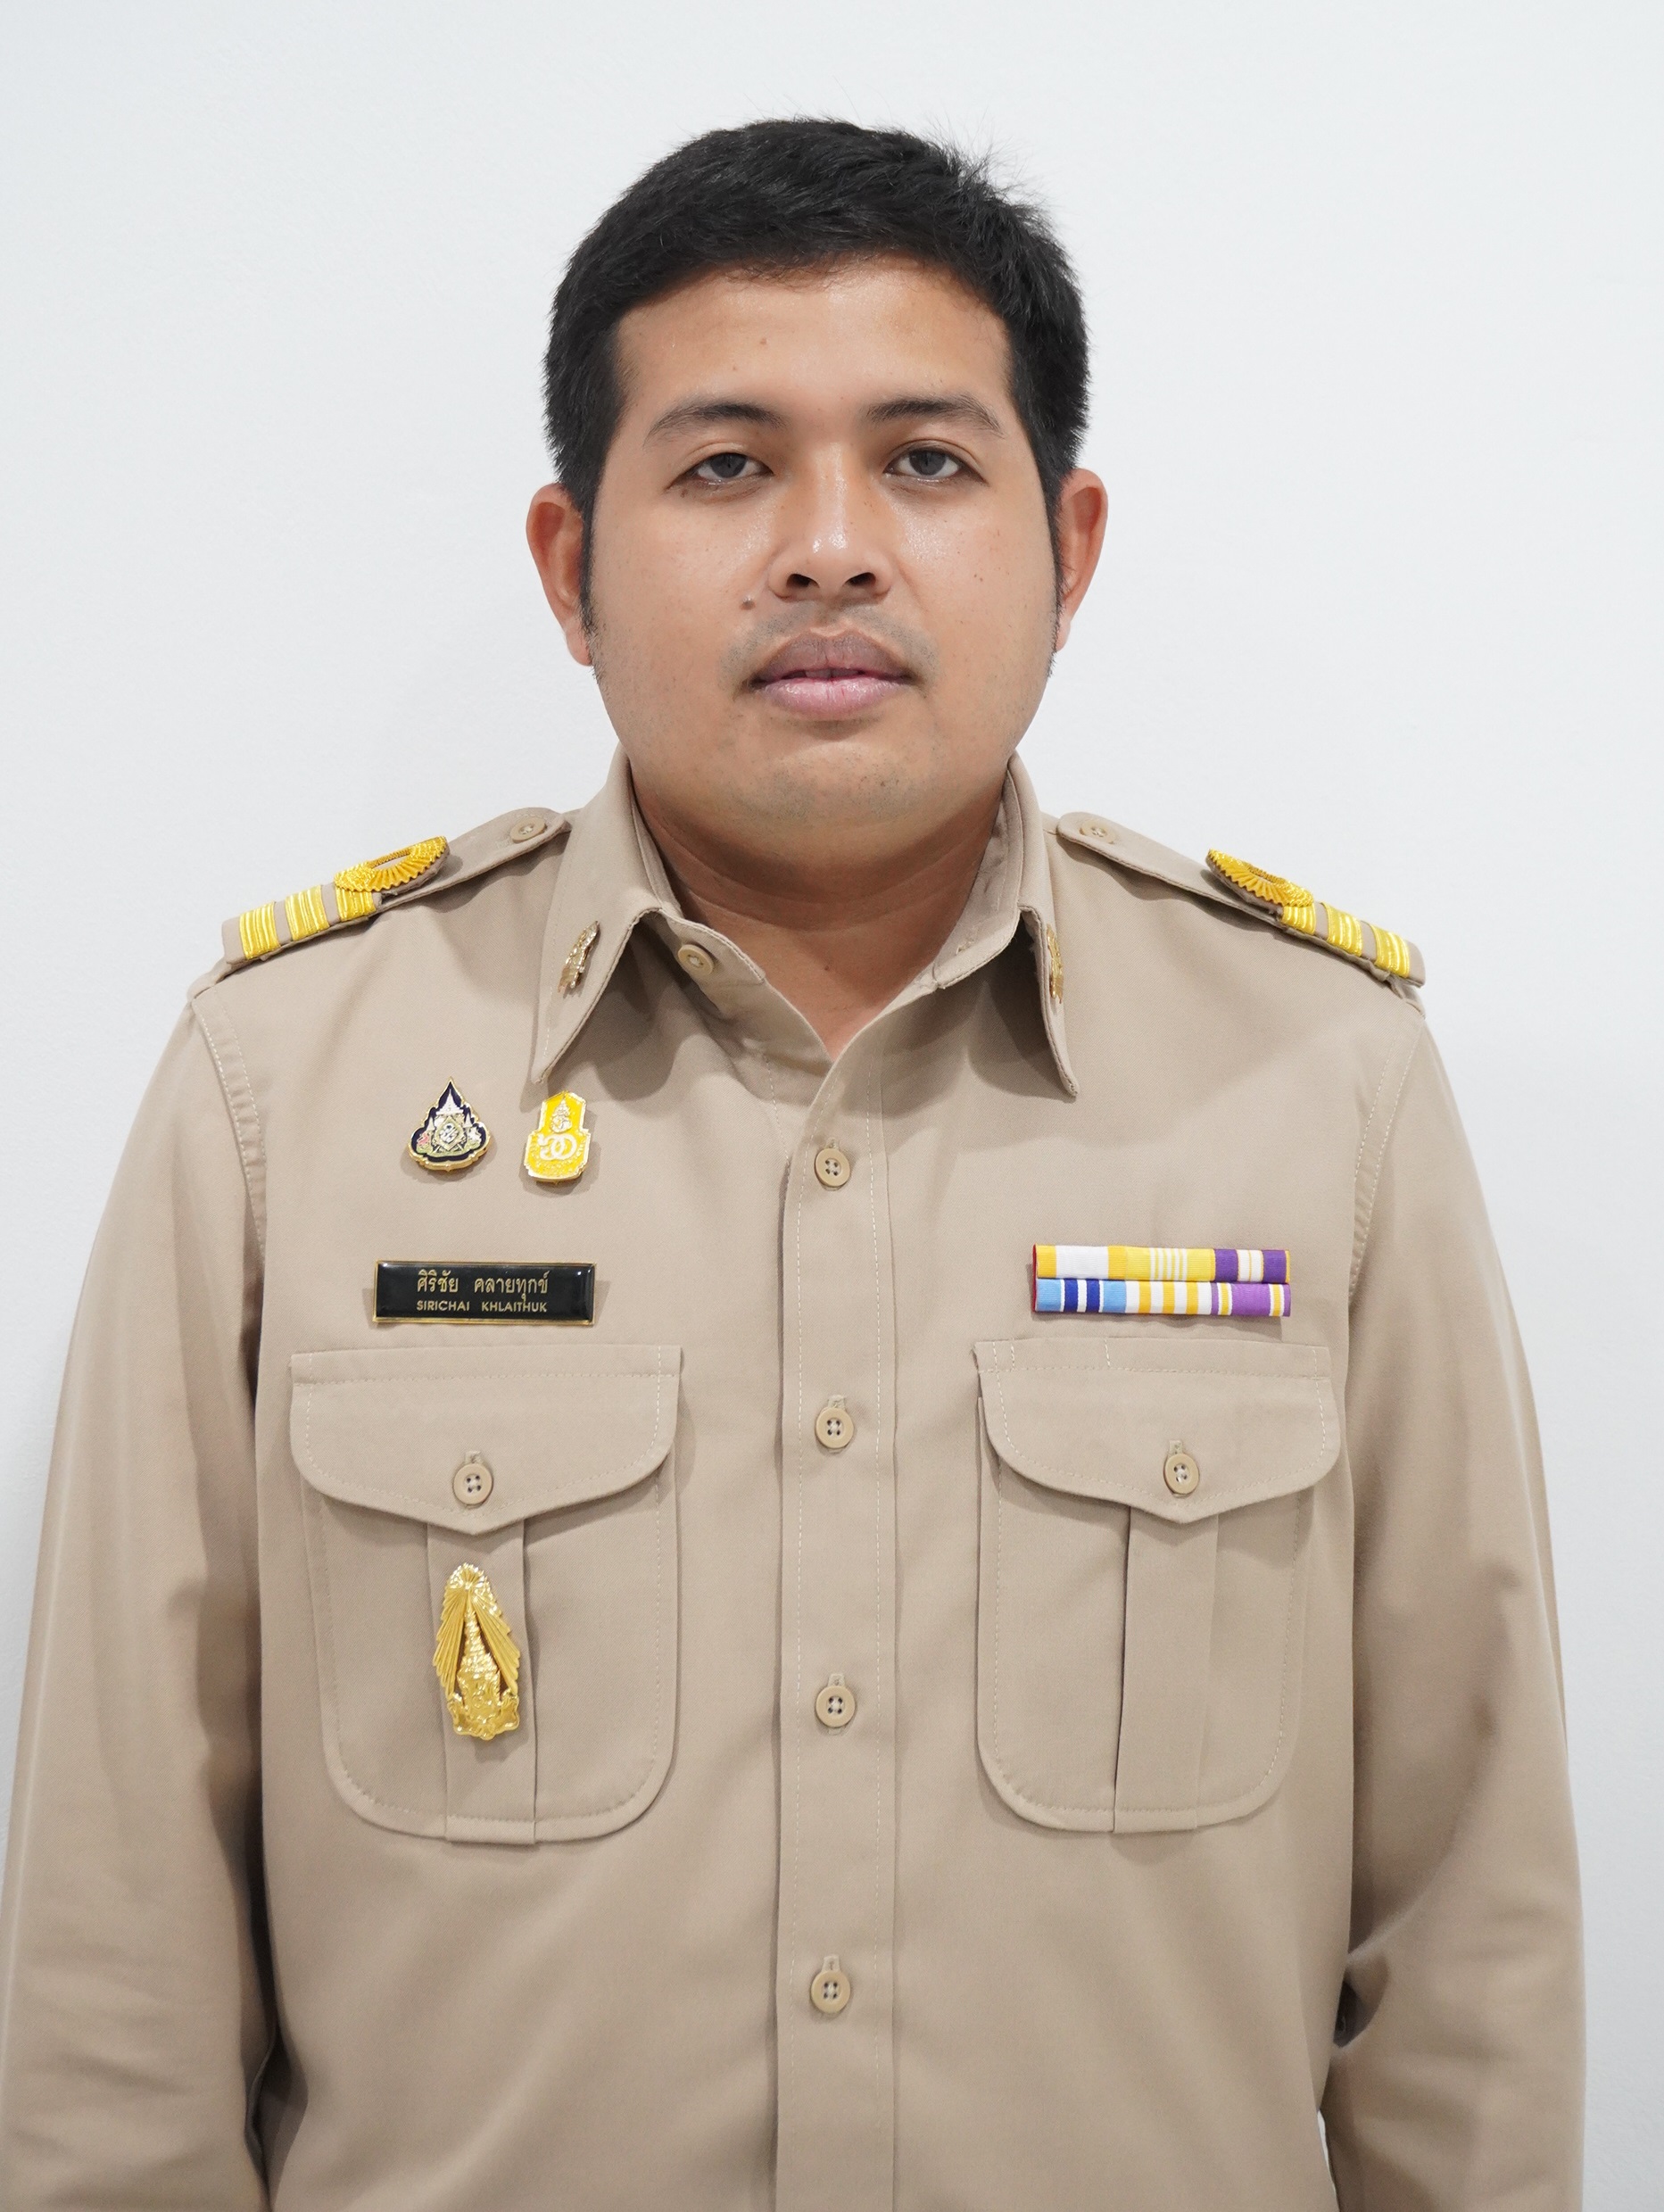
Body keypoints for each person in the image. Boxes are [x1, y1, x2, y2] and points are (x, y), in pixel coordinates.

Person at [0, 118, 1581, 2209]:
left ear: (1069, 546)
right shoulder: (287, 1091)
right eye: (728, 465)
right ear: (568, 564)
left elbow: (1470, 1928)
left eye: (923, 460)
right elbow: (116, 1937)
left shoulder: (1321, 1085)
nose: (830, 548)